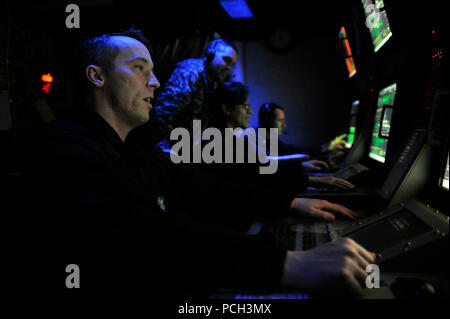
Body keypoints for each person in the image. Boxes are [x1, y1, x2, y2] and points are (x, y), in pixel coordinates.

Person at [21, 29, 374, 296]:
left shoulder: (132, 151)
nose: (156, 82)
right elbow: (149, 230)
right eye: (140, 69)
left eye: (153, 70)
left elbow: (203, 185)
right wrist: (284, 263)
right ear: (97, 76)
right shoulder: (67, 151)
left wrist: (291, 200)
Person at [207, 81, 355, 191]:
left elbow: (263, 167)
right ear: (226, 109)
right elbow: (260, 172)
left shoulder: (234, 139)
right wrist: (310, 180)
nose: (250, 112)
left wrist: (302, 168)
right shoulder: (222, 143)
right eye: (245, 106)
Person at [149, 38, 238, 148]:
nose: (229, 68)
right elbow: (163, 113)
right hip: (166, 150)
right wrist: (163, 150)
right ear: (210, 55)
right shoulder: (190, 73)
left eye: (232, 65)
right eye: (227, 60)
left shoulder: (211, 84)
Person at [258, 102, 348, 171]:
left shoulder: (271, 140)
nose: (284, 125)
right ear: (267, 121)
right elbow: (268, 169)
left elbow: (293, 151)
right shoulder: (257, 141)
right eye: (280, 120)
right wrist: (301, 167)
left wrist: (328, 147)